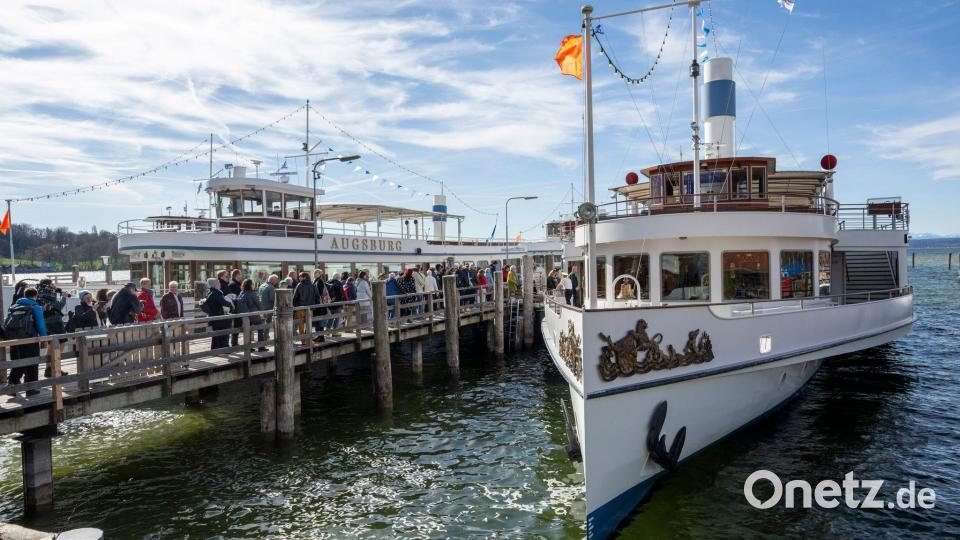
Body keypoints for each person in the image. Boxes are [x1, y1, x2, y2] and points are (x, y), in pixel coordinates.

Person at [3, 287, 47, 396]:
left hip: (14, 340)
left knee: (18, 362)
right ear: (35, 296)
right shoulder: (35, 306)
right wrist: (44, 338)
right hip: (29, 339)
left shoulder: (14, 306)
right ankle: (31, 389)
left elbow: (6, 324)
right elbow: (40, 324)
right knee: (32, 363)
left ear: (24, 295)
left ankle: (12, 385)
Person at [203, 277, 233, 351]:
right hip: (218, 317)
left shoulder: (211, 292)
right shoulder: (216, 293)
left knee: (216, 334)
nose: (219, 284)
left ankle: (215, 349)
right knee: (223, 333)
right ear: (214, 285)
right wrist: (231, 303)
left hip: (213, 317)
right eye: (218, 283)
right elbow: (223, 302)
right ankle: (223, 349)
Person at [237, 279, 266, 350]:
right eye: (253, 284)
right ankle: (261, 347)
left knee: (248, 331)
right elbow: (258, 304)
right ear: (250, 285)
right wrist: (263, 311)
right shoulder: (252, 293)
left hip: (245, 316)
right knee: (260, 329)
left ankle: (249, 348)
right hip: (254, 315)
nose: (254, 285)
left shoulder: (241, 293)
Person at [293, 271, 321, 344]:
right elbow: (317, 297)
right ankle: (308, 340)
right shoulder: (313, 285)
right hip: (310, 308)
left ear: (304, 277)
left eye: (300, 277)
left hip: (300, 308)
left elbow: (294, 297)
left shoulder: (299, 285)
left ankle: (303, 341)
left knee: (301, 326)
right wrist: (316, 306)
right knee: (309, 325)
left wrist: (294, 306)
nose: (299, 278)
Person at [258, 274, 279, 343]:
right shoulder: (271, 287)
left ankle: (263, 337)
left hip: (261, 308)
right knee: (267, 324)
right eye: (276, 280)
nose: (277, 282)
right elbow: (273, 298)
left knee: (262, 324)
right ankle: (265, 337)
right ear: (273, 280)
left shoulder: (262, 285)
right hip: (268, 308)